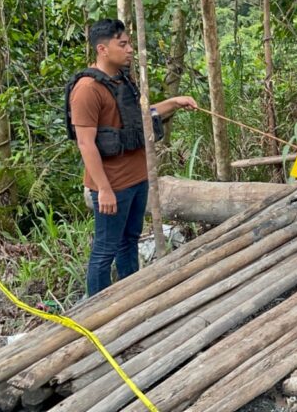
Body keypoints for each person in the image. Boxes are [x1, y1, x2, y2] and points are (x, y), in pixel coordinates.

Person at [65, 18, 198, 296]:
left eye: (129, 44)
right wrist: (104, 189)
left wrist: (174, 103)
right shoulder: (87, 89)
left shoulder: (123, 80)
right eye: (122, 44)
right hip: (113, 184)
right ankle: (98, 309)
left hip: (138, 179)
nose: (129, 50)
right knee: (105, 249)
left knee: (130, 240)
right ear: (102, 49)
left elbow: (141, 116)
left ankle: (131, 297)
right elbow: (86, 143)